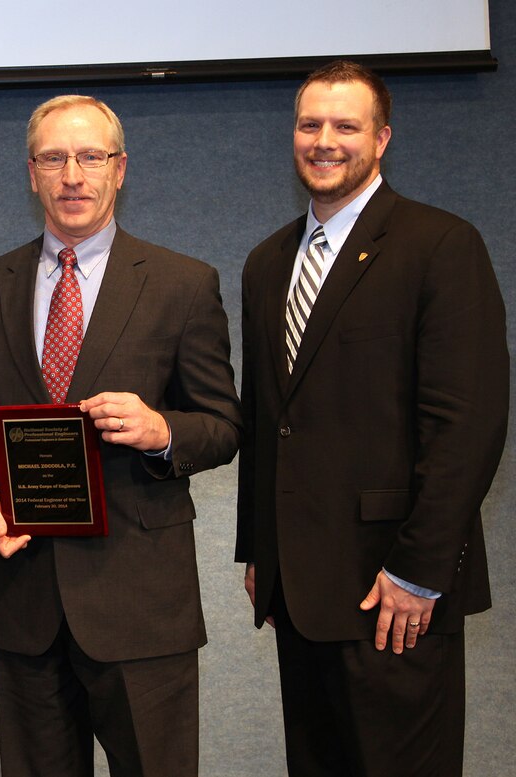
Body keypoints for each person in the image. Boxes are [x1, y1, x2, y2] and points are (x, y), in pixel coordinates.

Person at [0, 95, 242, 777]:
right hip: (24, 600)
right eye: (54, 158)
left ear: (120, 169)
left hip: (140, 601)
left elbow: (224, 426)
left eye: (91, 157)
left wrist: (160, 428)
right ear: (31, 173)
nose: (73, 175)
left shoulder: (181, 283)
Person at [236, 60, 508, 777]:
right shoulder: (267, 262)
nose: (324, 140)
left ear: (382, 137)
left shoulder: (440, 245)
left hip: (394, 590)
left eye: (345, 125)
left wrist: (419, 570)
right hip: (300, 591)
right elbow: (266, 418)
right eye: (309, 124)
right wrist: (258, 549)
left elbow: (467, 423)